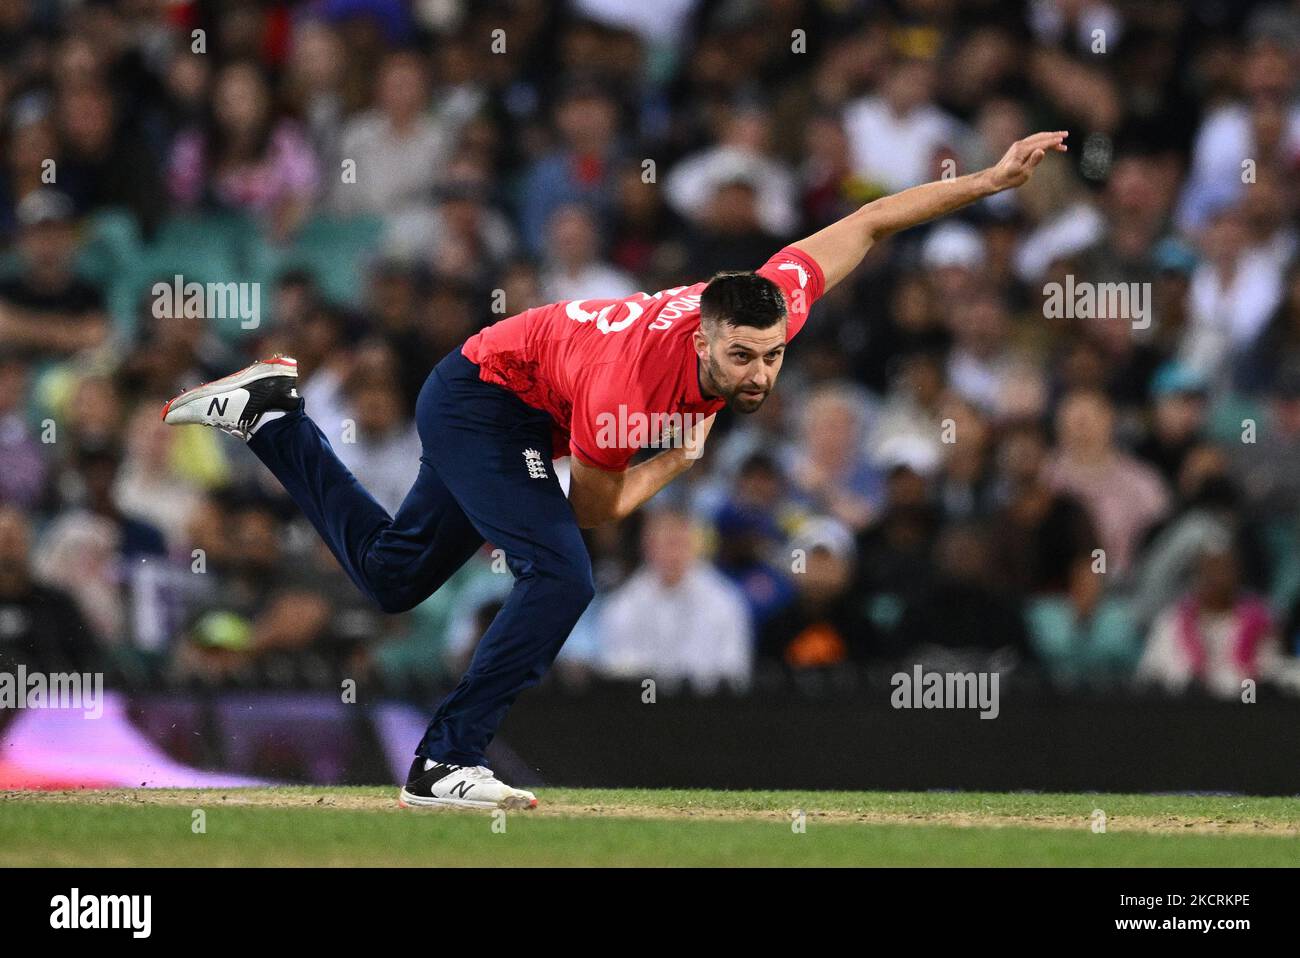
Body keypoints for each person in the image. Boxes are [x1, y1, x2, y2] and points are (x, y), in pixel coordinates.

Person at [161, 130, 1069, 809]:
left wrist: (990, 181)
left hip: (520, 397)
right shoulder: (632, 388)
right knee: (562, 578)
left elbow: (869, 222)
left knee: (396, 577)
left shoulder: (771, 304)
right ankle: (444, 762)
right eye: (742, 359)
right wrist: (675, 458)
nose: (759, 375)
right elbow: (593, 510)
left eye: (773, 358)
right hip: (484, 399)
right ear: (706, 332)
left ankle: (277, 421)